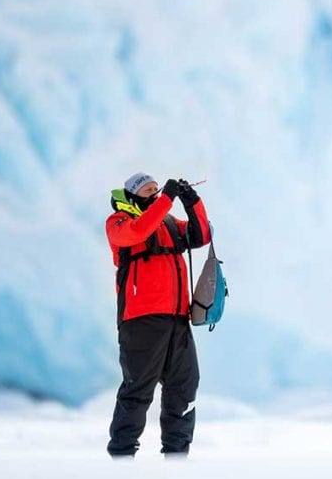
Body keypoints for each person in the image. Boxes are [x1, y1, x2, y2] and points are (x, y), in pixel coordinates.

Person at [105, 172, 211, 458]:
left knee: (184, 387)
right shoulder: (118, 223)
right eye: (147, 190)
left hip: (178, 317)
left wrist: (192, 201)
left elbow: (202, 235)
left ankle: (177, 459)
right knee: (137, 390)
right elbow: (139, 231)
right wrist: (166, 199)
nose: (154, 193)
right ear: (131, 196)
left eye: (156, 188)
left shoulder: (168, 222)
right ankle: (121, 459)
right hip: (141, 319)